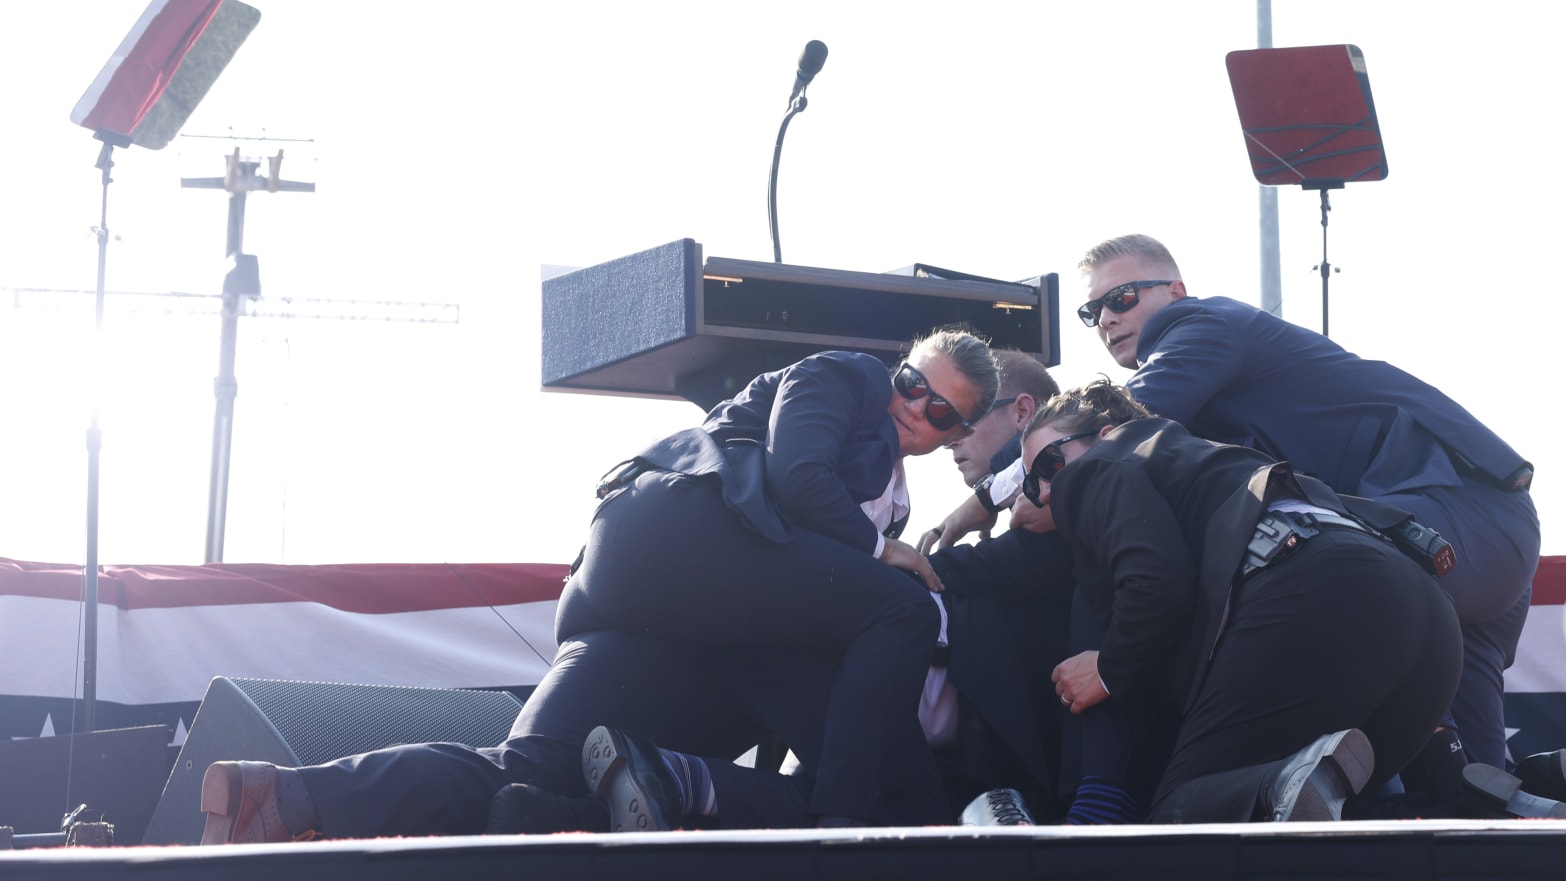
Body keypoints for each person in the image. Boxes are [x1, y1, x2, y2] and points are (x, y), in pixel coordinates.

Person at [198, 330, 998, 843]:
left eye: (941, 412)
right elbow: (794, 480)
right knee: (896, 607)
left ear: (958, 434)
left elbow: (800, 609)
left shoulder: (893, 487)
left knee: (526, 771)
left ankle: (291, 799)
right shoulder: (847, 375)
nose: (914, 407)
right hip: (681, 544)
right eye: (912, 381)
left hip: (672, 615)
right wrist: (878, 548)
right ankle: (844, 830)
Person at [1075, 234, 1538, 810]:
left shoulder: (1198, 324)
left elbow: (1112, 427)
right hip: (1484, 534)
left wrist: (1001, 484)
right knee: (1480, 794)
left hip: (1447, 516)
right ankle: (1536, 787)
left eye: (1120, 298)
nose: (1106, 319)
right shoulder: (1223, 368)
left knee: (1345, 584)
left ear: (1175, 290)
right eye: (1091, 311)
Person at [1023, 378, 1463, 822]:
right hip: (1429, 611)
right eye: (1028, 487)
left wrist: (1108, 669)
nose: (1043, 491)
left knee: (1185, 815)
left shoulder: (1100, 462)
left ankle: (1277, 787)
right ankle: (1483, 799)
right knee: (1352, 820)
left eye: (1050, 462)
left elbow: (1156, 583)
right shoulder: (1211, 465)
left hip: (1319, 587)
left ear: (1103, 433)